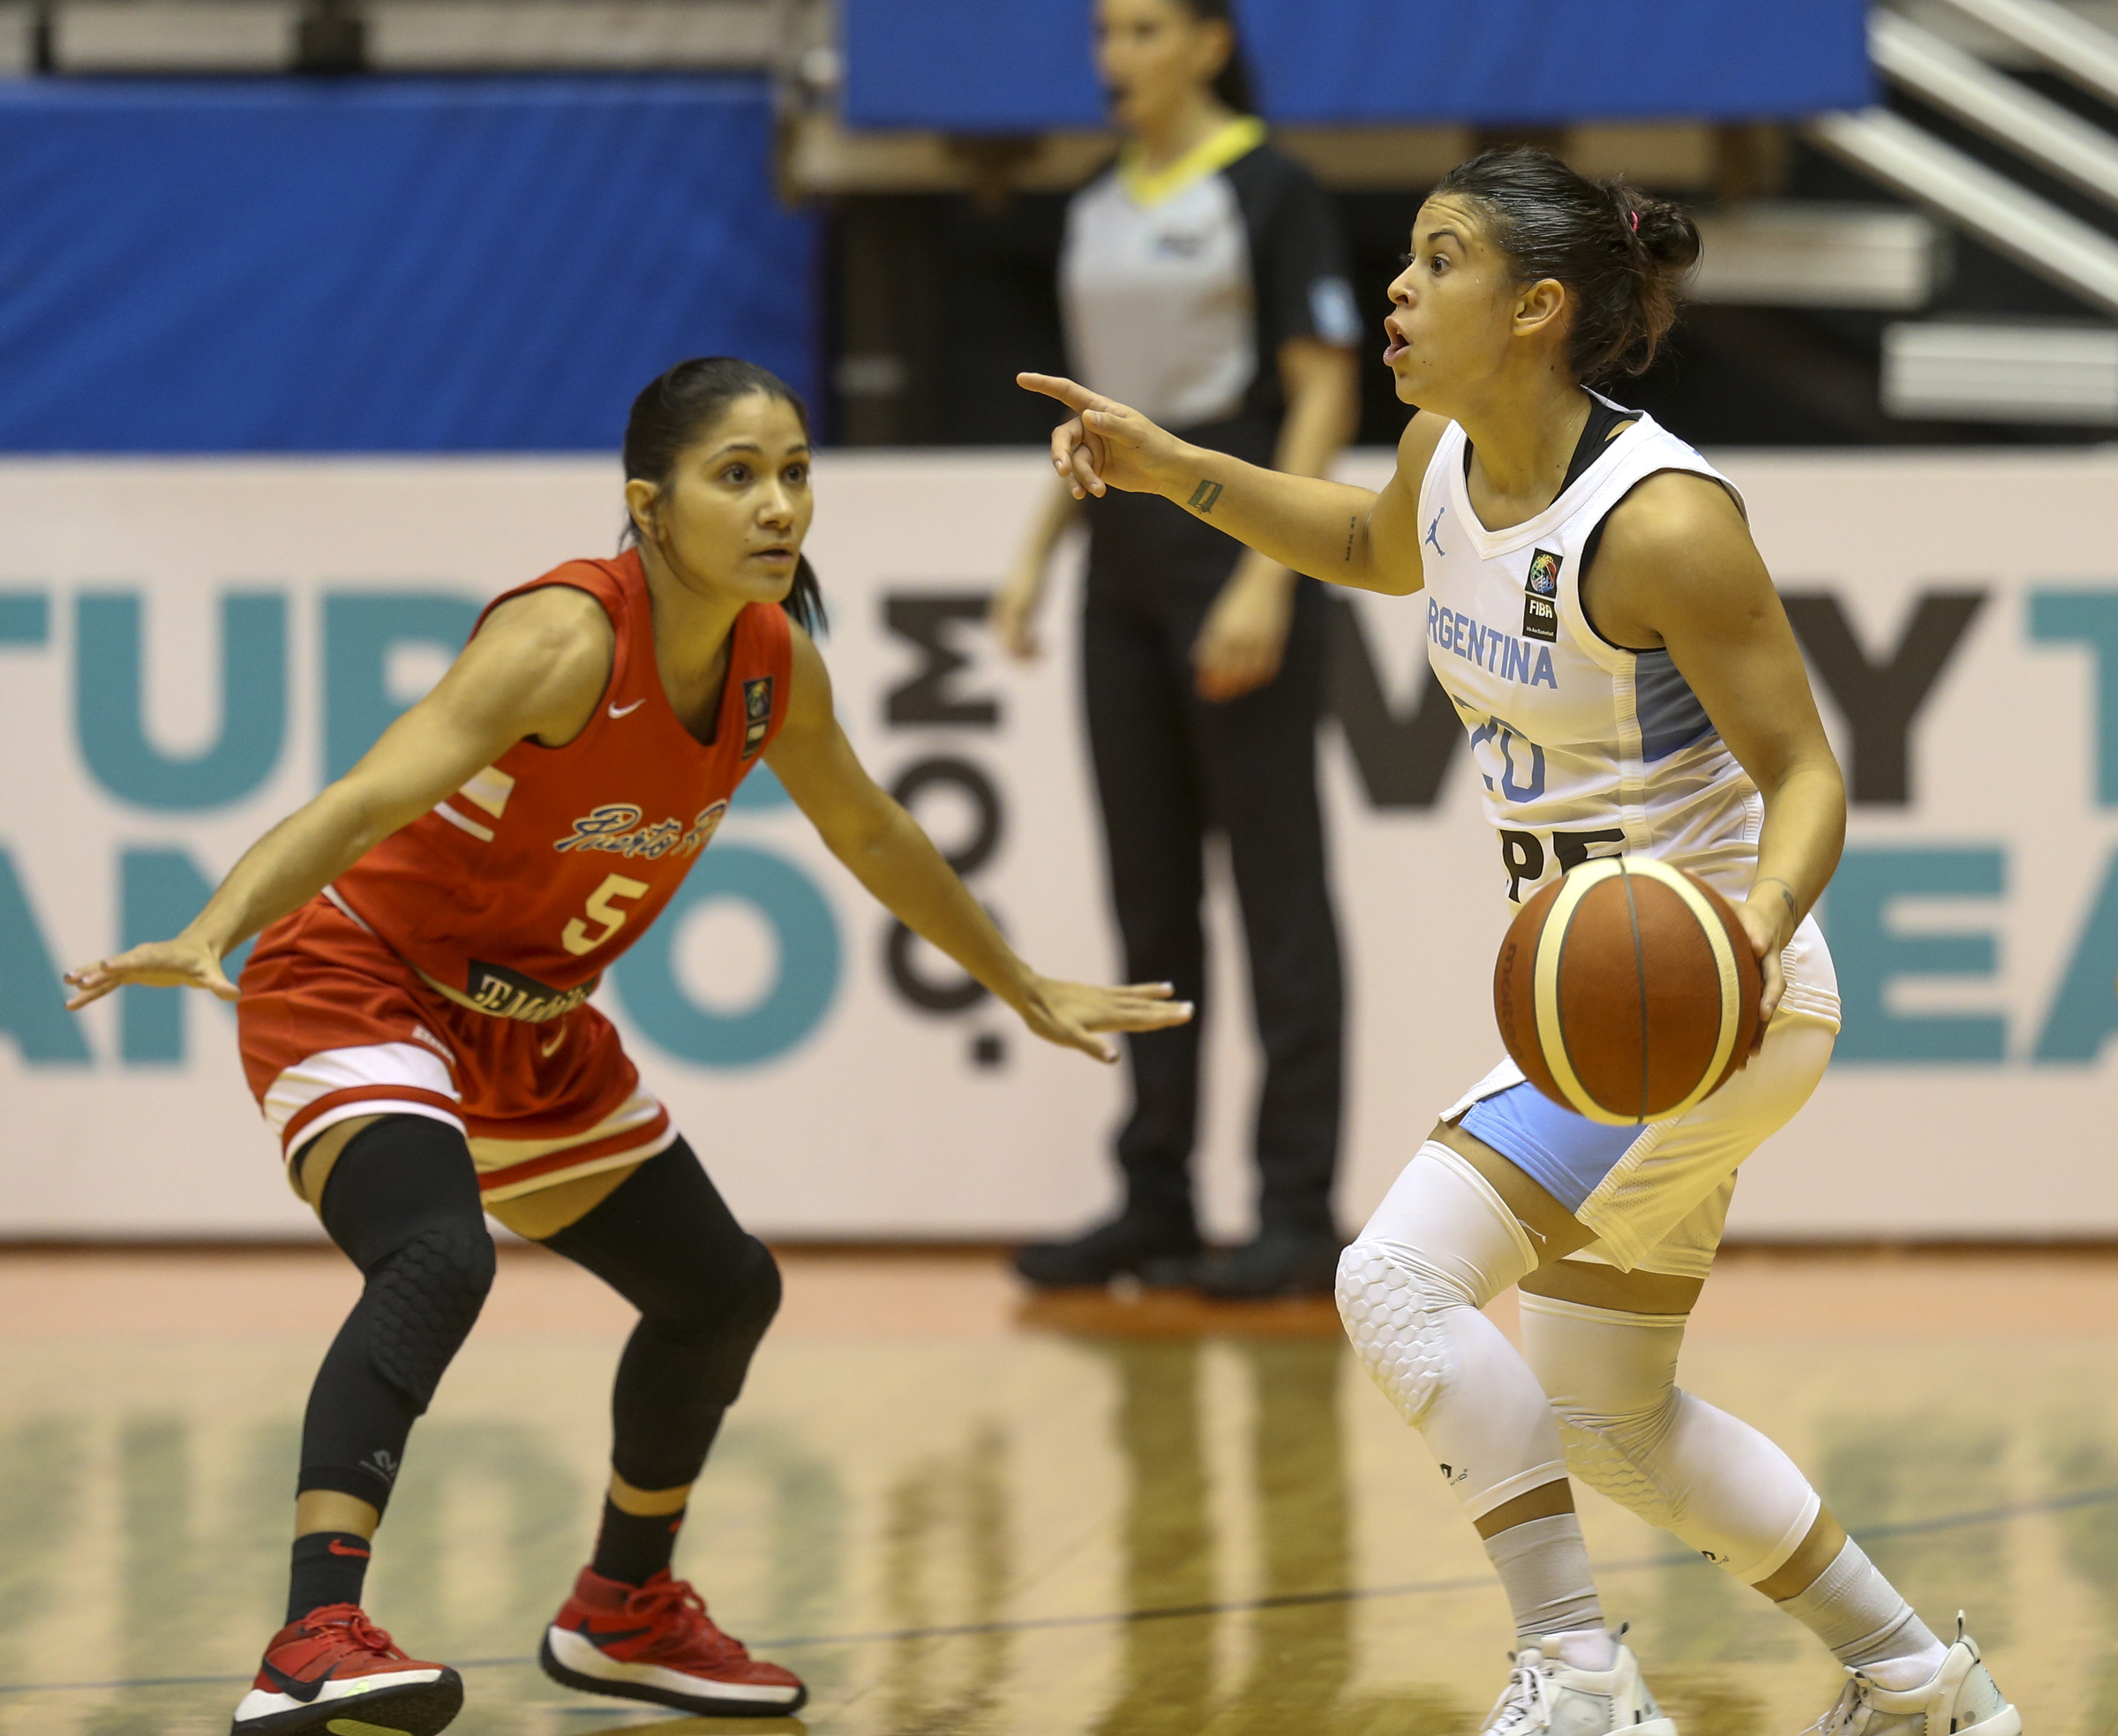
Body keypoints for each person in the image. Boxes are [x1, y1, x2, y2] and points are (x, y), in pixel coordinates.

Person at [1020, 149, 2019, 1736]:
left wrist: (1747, 935)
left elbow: (1812, 773)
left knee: (1398, 1281)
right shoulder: (1447, 448)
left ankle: (1579, 1677)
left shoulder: (1667, 520)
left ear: (1539, 308)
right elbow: (1365, 546)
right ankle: (1922, 1683)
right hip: (1613, 1015)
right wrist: (1169, 469)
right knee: (1610, 1417)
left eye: (1438, 260)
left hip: (1707, 994)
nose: (1397, 292)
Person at [64, 357, 1189, 1736]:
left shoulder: (774, 665)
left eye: (794, 472)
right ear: (647, 508)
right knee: (436, 1253)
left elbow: (874, 831)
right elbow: (363, 796)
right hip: (364, 983)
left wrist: (1021, 982)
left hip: (531, 1035)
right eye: (738, 476)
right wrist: (213, 924)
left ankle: (624, 1610)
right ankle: (312, 1636)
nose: (778, 505)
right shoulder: (563, 642)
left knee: (721, 1290)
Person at [993, 0, 1362, 1299]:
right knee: (1148, 889)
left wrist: (1271, 577)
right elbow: (1099, 418)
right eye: (1106, 34)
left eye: (1146, 30)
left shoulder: (1272, 189)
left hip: (1237, 535)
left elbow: (1325, 388)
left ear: (1211, 42)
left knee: (1275, 888)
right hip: (1124, 567)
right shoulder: (1097, 203)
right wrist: (1042, 550)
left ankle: (1298, 1208)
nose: (1117, 58)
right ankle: (1155, 1197)